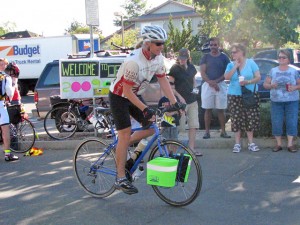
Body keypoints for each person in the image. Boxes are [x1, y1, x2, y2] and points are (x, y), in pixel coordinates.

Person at [109, 25, 184, 195]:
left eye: (163, 43)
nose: (161, 46)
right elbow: (126, 92)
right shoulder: (133, 62)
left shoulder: (158, 59)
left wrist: (175, 102)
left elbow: (163, 80)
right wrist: (145, 108)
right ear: (148, 43)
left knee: (152, 128)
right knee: (125, 133)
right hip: (119, 96)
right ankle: (120, 177)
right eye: (158, 43)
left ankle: (123, 147)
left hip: (135, 94)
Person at [224, 43, 261, 153]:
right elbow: (226, 78)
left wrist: (248, 82)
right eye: (232, 52)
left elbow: (258, 77)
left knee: (250, 117)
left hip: (249, 94)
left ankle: (251, 143)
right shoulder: (231, 64)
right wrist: (235, 66)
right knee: (236, 118)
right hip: (234, 94)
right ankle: (237, 143)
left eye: (235, 52)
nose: (233, 54)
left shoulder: (251, 63)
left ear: (242, 52)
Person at [263, 49, 300, 153]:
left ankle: (290, 144)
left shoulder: (293, 71)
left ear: (288, 59)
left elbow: (299, 84)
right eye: (279, 57)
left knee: (291, 121)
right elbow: (265, 84)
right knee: (276, 122)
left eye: (283, 57)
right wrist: (271, 85)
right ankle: (278, 144)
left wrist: (295, 87)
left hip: (292, 100)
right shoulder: (273, 71)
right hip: (276, 101)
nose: (281, 59)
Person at [168, 48, 202, 156]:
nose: (182, 60)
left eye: (184, 58)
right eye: (180, 58)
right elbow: (170, 86)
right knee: (179, 127)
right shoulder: (174, 69)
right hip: (180, 102)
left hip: (192, 100)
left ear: (188, 58)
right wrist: (179, 97)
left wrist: (196, 91)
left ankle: (191, 149)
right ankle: (172, 151)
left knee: (193, 125)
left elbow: (193, 82)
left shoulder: (191, 68)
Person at [200, 37, 231, 139]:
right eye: (211, 45)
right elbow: (203, 72)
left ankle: (223, 132)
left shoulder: (224, 57)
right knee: (207, 109)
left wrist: (216, 82)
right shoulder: (205, 57)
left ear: (219, 45)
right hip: (207, 85)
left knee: (221, 109)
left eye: (215, 45)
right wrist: (211, 83)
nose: (213, 47)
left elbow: (227, 72)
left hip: (221, 85)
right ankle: (207, 132)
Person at [0, 58, 19, 161]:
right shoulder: (5, 77)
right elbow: (10, 93)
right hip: (0, 105)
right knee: (5, 129)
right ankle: (8, 154)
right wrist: (14, 83)